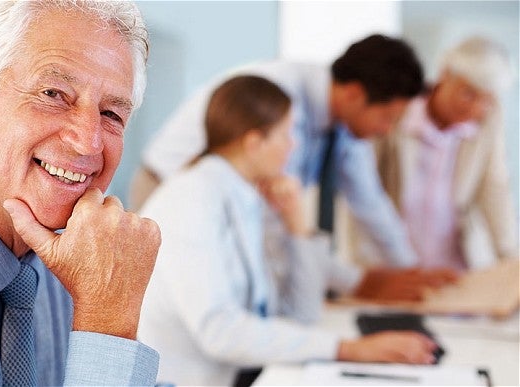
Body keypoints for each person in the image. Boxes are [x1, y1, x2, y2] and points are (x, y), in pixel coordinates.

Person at [0, 1, 161, 385]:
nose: (88, 143)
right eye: (53, 93)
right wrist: (108, 326)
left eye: (111, 115)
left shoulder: (70, 253)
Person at [138, 75, 443, 387]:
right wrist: (348, 349)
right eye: (285, 134)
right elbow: (220, 332)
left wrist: (298, 227)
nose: (293, 145)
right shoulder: (193, 200)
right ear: (254, 143)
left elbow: (300, 316)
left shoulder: (242, 195)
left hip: (238, 373)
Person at [130, 34, 424, 267]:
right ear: (355, 94)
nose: (387, 131)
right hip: (165, 186)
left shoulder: (346, 123)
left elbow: (370, 202)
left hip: (231, 207)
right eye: (388, 118)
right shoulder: (282, 97)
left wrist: (409, 270)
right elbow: (273, 212)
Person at [344, 37, 518, 270]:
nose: (475, 107)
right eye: (468, 93)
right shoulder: (399, 110)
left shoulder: (489, 120)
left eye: (486, 99)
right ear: (445, 75)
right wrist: (362, 261)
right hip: (391, 261)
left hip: (454, 264)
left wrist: (510, 258)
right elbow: (364, 187)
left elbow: (494, 188)